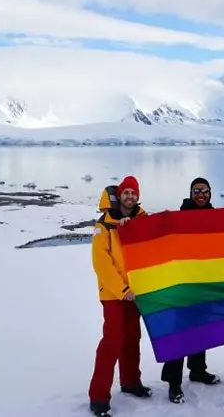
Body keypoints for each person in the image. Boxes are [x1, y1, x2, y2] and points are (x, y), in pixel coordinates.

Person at [88, 176, 152, 417]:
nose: (130, 197)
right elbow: (101, 264)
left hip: (134, 291)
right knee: (112, 340)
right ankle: (98, 396)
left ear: (137, 197)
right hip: (114, 293)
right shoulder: (103, 225)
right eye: (126, 192)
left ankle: (130, 382)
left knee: (132, 337)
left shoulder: (141, 221)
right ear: (119, 196)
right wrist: (121, 290)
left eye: (133, 193)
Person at [160, 177, 221, 403]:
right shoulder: (179, 217)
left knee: (200, 330)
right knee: (181, 332)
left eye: (205, 191)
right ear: (191, 193)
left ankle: (197, 370)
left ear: (210, 193)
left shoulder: (215, 217)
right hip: (183, 284)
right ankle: (174, 382)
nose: (201, 194)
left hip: (204, 284)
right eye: (197, 191)